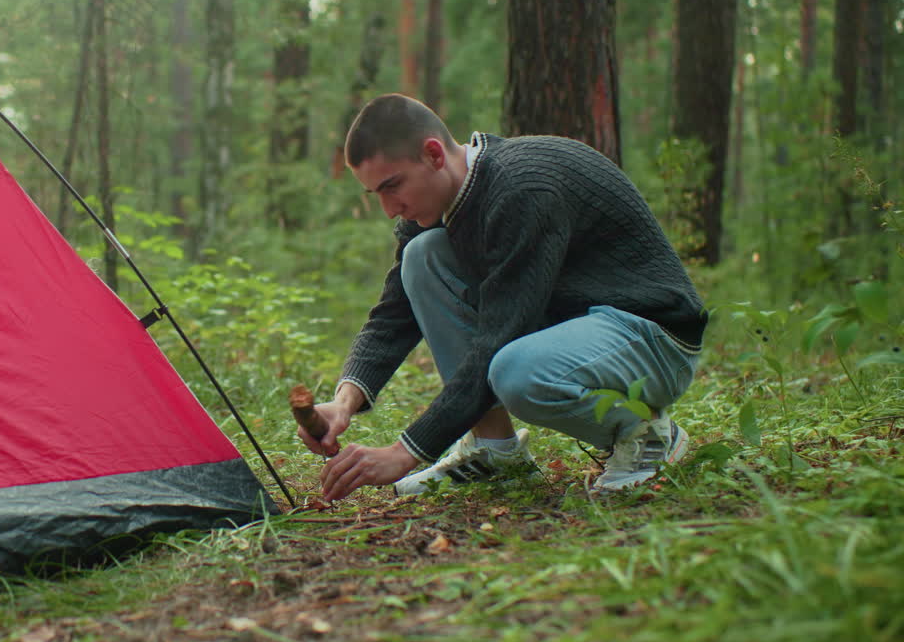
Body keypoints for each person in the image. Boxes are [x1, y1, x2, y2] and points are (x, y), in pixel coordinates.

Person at [298, 93, 707, 502]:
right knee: (421, 258)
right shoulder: (431, 207)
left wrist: (404, 453)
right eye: (376, 194)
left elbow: (498, 339)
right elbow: (393, 313)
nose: (389, 209)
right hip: (580, 329)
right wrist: (343, 403)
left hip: (653, 337)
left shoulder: (521, 190)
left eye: (393, 186)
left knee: (514, 372)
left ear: (433, 154)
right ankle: (495, 452)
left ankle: (647, 432)